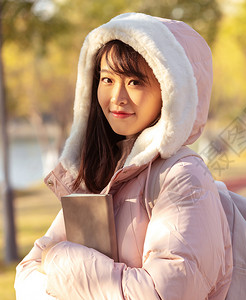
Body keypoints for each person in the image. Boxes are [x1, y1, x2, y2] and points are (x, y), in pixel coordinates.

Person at [15, 13, 233, 300]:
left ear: (172, 92)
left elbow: (161, 293)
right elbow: (26, 274)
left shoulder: (183, 177)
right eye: (107, 79)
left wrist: (59, 260)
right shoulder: (105, 171)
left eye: (134, 82)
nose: (117, 96)